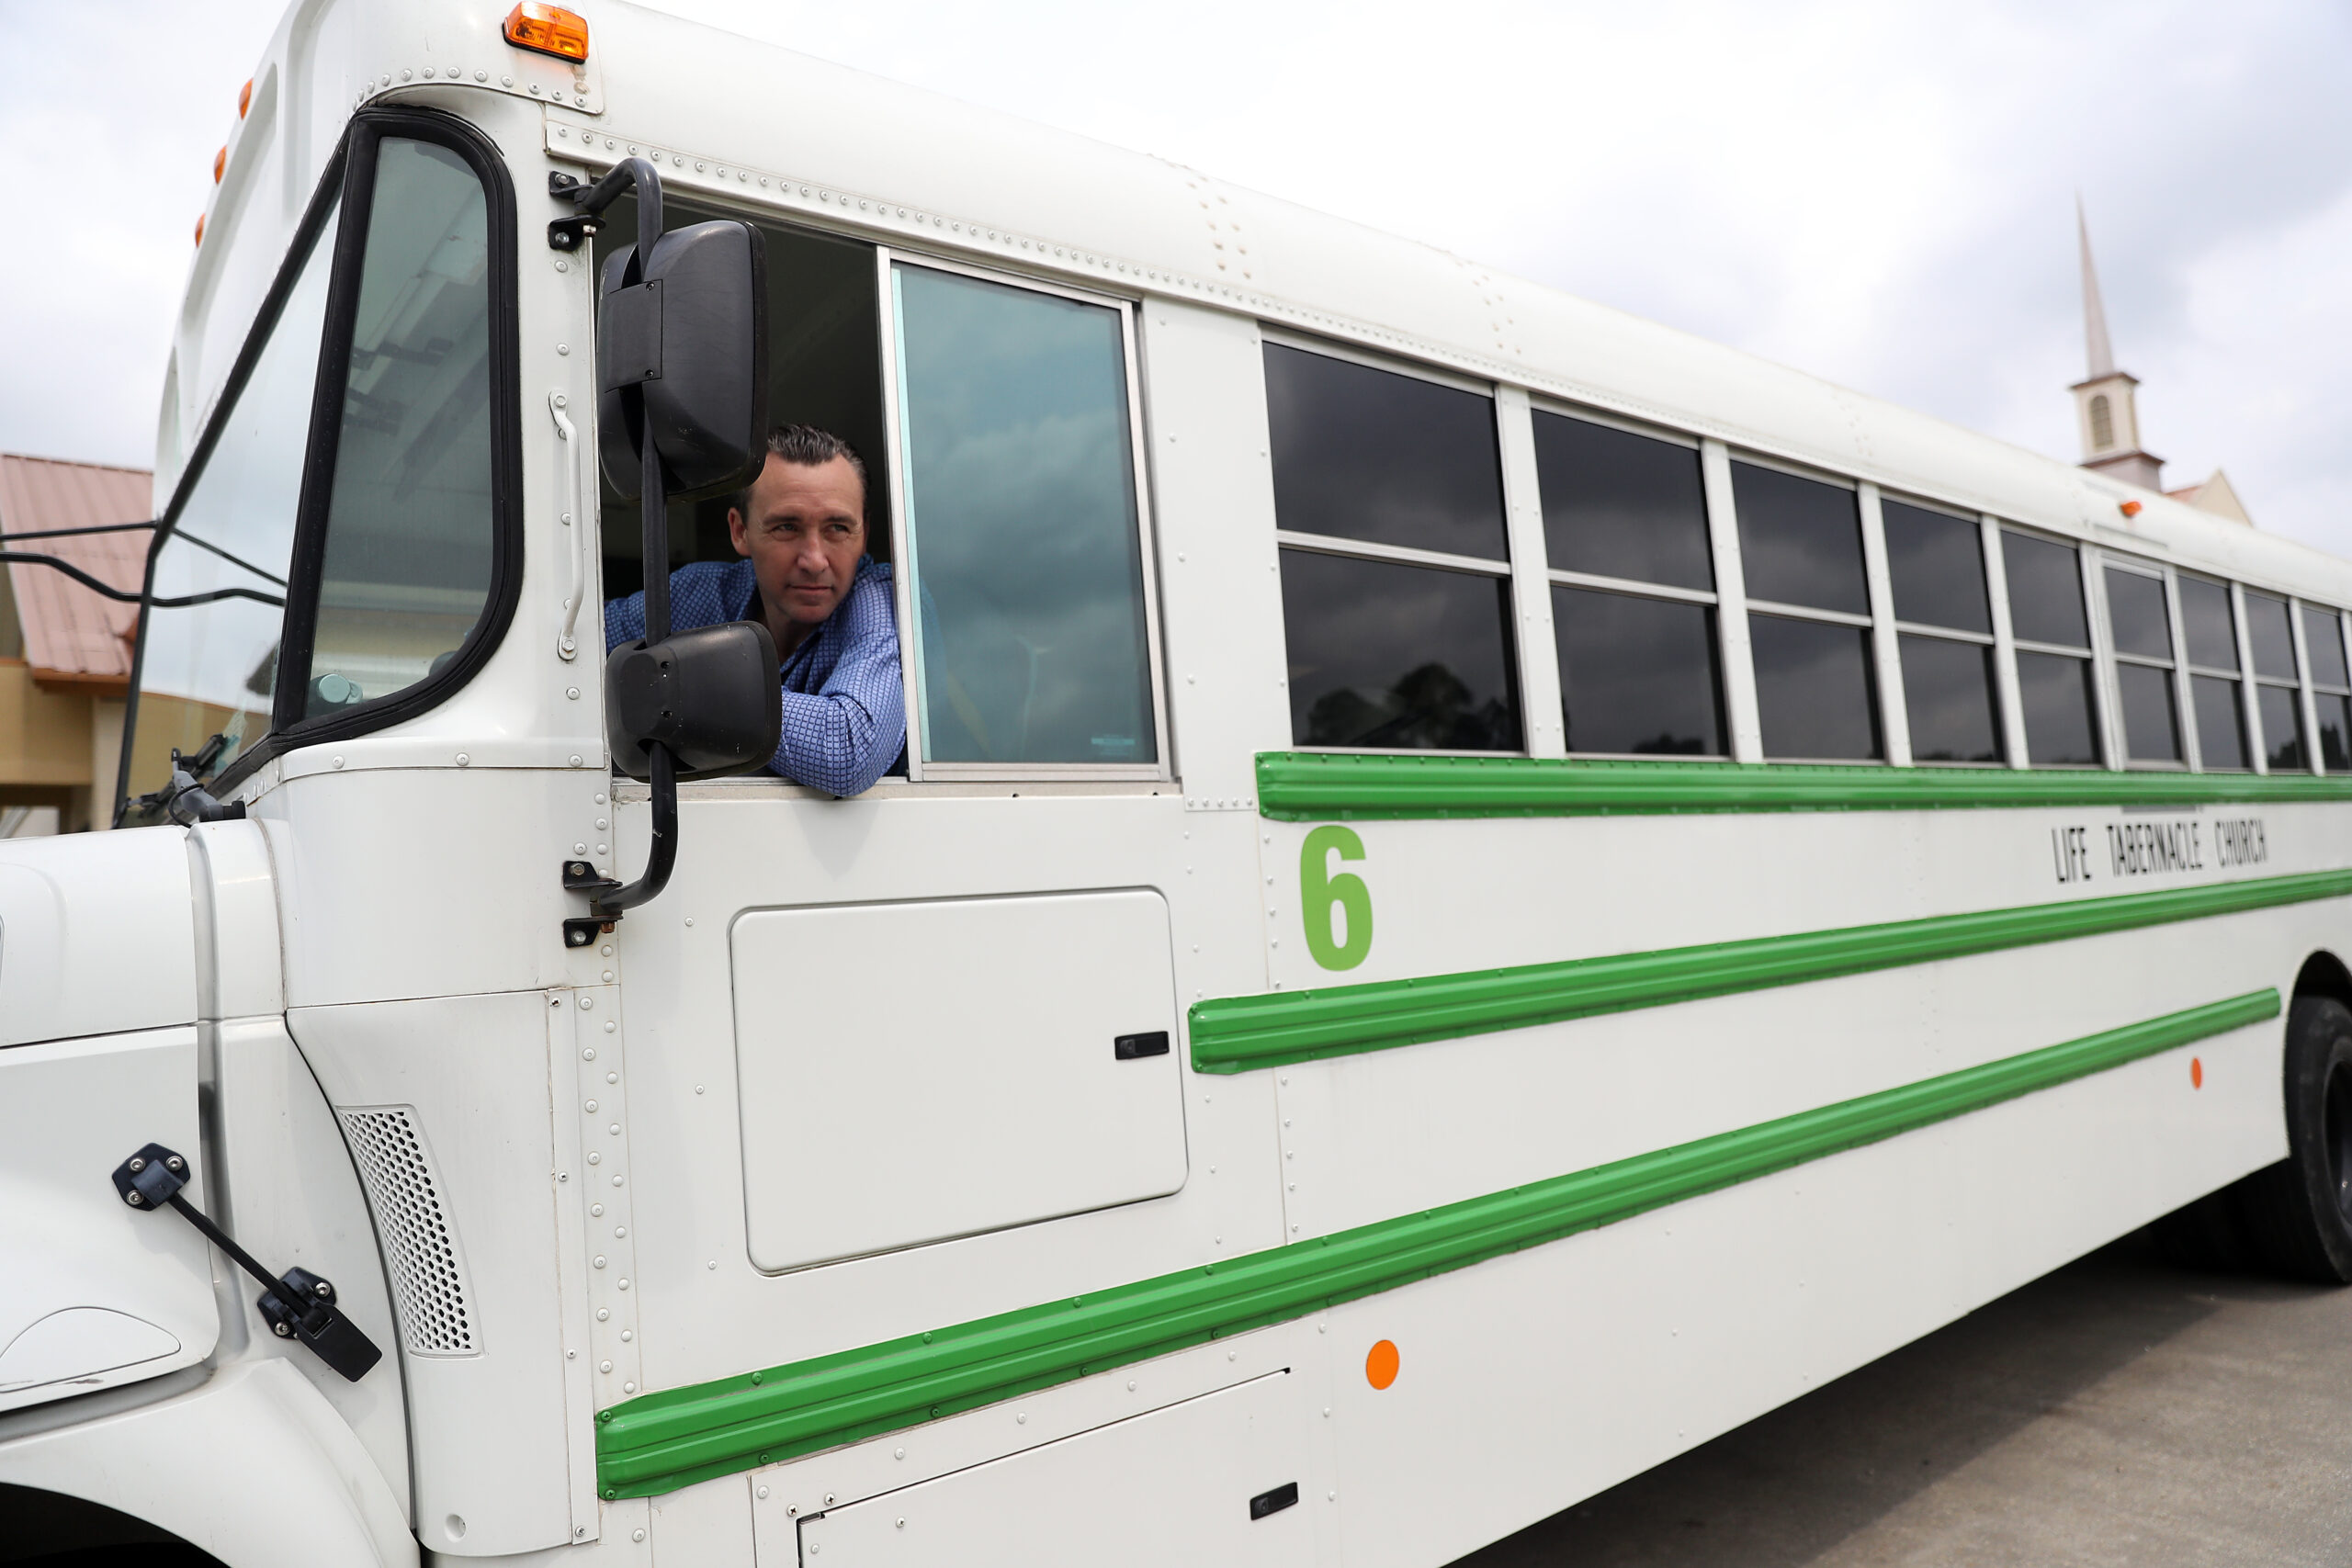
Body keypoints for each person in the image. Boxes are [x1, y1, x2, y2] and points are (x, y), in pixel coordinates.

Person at [605, 425, 904, 795]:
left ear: (864, 533)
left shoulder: (880, 598)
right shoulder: (701, 594)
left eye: (838, 528)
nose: (814, 560)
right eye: (787, 527)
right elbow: (576, 648)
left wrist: (682, 689)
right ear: (740, 532)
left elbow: (848, 753)